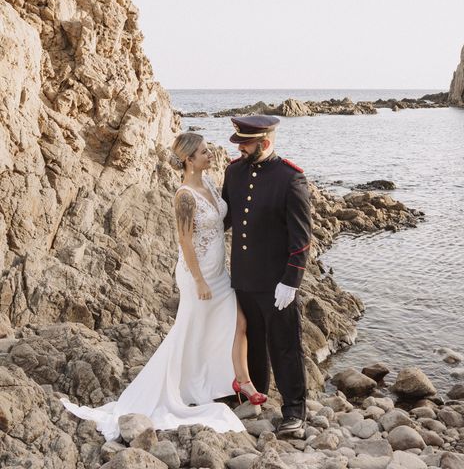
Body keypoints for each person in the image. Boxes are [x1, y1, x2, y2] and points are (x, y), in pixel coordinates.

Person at [60, 132, 264, 441]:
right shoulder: (184, 195)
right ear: (189, 159)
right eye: (204, 152)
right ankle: (181, 388)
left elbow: (221, 221)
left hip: (220, 272)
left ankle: (241, 382)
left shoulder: (208, 183)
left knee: (238, 322)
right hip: (199, 275)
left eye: (208, 150)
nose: (210, 155)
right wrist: (198, 280)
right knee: (189, 331)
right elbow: (185, 241)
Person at [221, 116, 312, 434]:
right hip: (243, 279)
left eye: (245, 143)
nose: (240, 148)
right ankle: (255, 397)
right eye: (239, 143)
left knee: (285, 345)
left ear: (265, 143)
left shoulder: (290, 179)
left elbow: (301, 240)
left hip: (277, 284)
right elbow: (226, 218)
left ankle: (294, 411)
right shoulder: (233, 172)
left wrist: (291, 281)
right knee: (254, 342)